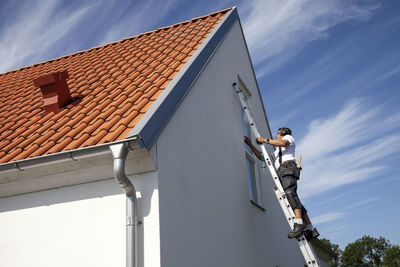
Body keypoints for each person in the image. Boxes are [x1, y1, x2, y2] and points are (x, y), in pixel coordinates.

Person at [244, 127, 319, 239]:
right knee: (293, 196)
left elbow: (283, 143)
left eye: (278, 134)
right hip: (283, 171)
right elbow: (262, 157)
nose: (276, 136)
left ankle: (299, 223)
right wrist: (250, 144)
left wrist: (265, 140)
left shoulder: (288, 138)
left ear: (283, 133)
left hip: (288, 168)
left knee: (290, 194)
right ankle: (310, 228)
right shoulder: (277, 152)